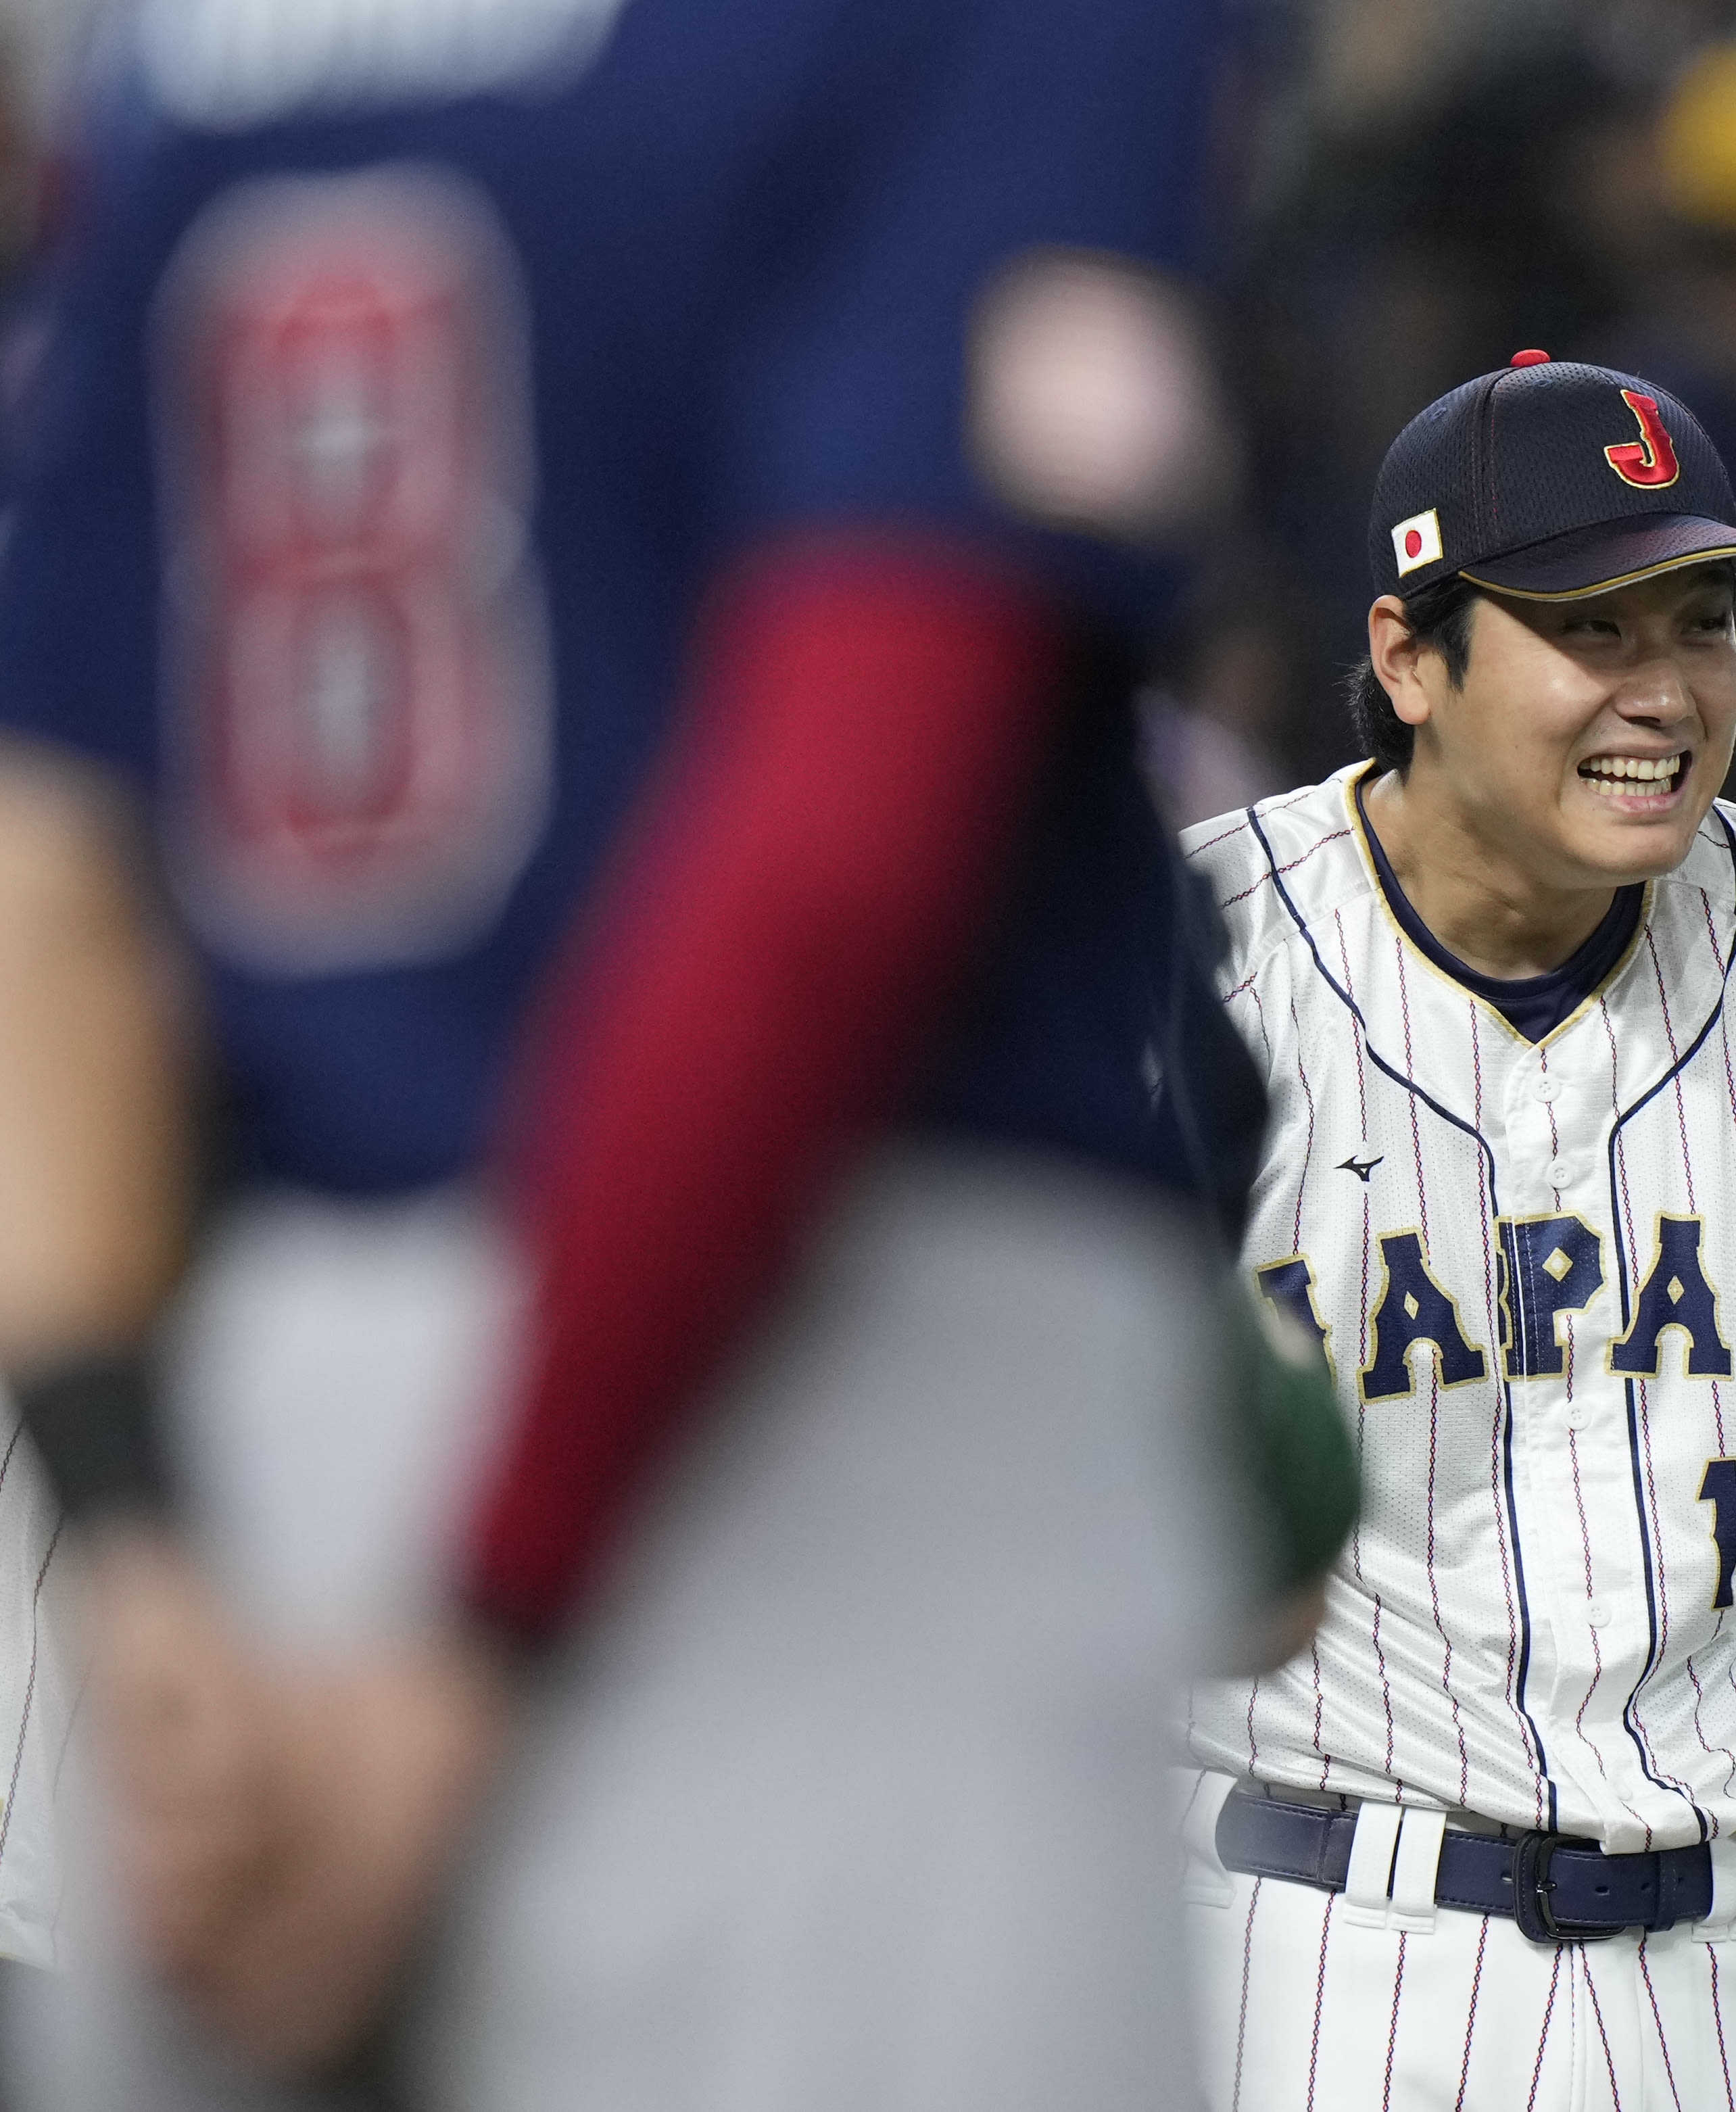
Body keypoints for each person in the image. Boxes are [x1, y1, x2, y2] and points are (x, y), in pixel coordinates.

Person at [0, 1, 1320, 2106]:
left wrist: (135, 1546)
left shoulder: (193, 51)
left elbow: (49, 879)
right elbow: (824, 865)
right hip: (821, 1418)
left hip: (249, 1494)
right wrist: (481, 1625)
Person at [1173, 352, 1736, 2111]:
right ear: (1410, 658)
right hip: (1311, 1936)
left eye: (1699, 622)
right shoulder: (1192, 964)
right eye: (1593, 627)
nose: (1662, 692)